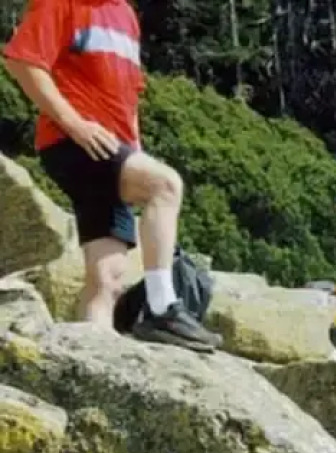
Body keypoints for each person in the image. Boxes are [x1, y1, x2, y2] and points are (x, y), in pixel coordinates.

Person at [3, 0, 219, 350]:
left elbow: (128, 94)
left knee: (107, 278)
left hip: (114, 148)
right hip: (75, 143)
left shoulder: (124, 14)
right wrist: (74, 124)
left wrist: (135, 151)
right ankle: (162, 307)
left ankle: (92, 358)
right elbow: (21, 60)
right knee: (165, 185)